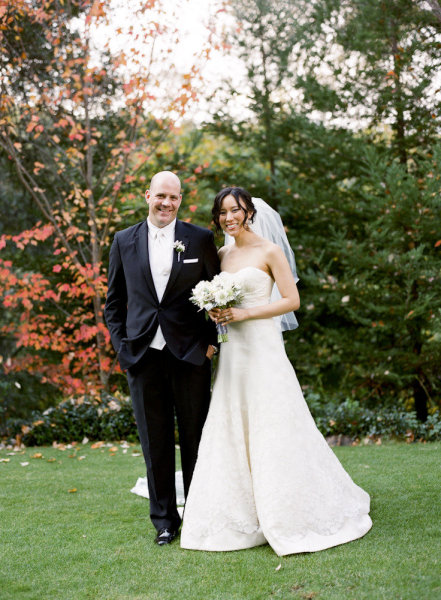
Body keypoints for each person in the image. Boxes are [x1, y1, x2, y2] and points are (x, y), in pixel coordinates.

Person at [180, 186, 372, 556]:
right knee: (232, 422)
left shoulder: (269, 251)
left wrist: (245, 313)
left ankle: (288, 505)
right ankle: (241, 509)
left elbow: (291, 300)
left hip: (263, 348)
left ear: (249, 212)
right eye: (222, 212)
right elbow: (219, 300)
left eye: (235, 210)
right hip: (233, 353)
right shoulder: (221, 254)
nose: (228, 218)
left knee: (274, 419)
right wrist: (216, 310)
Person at [104, 171, 220, 546]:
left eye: (173, 197)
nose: (166, 203)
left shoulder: (200, 238)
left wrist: (210, 343)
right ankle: (165, 522)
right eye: (160, 196)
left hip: (190, 355)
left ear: (180, 200)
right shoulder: (123, 240)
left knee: (195, 438)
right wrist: (123, 347)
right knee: (154, 443)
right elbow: (114, 304)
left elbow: (217, 293)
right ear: (147, 196)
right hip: (142, 356)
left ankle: (199, 514)